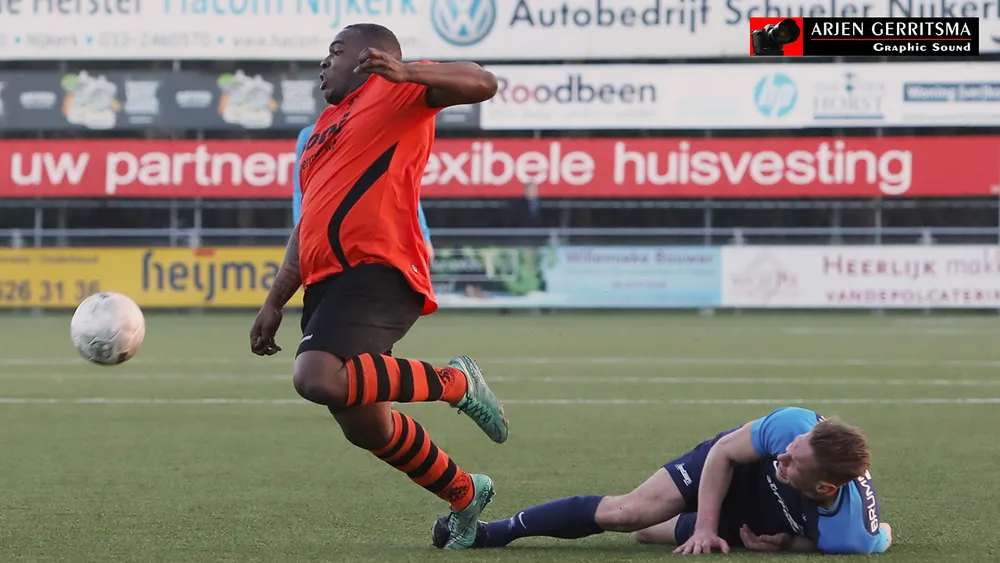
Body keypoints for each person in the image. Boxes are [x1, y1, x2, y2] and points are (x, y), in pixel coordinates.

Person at [250, 23, 505, 550]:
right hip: (327, 285)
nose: (324, 62)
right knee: (366, 426)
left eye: (335, 51)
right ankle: (464, 493)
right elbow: (307, 224)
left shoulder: (396, 90)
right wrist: (275, 300)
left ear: (371, 57)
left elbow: (483, 82)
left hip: (379, 267)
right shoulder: (319, 133)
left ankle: (456, 382)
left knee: (317, 376)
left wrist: (406, 72)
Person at [431, 406, 894, 555]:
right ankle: (488, 533)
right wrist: (706, 528)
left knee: (645, 534)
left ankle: (689, 522)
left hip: (769, 514)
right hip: (732, 467)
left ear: (825, 488)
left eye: (794, 462)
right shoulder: (791, 426)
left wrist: (789, 543)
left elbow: (882, 534)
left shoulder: (852, 534)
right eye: (790, 448)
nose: (784, 457)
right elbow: (724, 453)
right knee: (629, 514)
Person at [294, 123, 434, 264]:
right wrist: (301, 241)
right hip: (331, 236)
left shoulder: (376, 123)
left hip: (377, 234)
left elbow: (402, 182)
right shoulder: (310, 135)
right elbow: (300, 191)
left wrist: (424, 235)